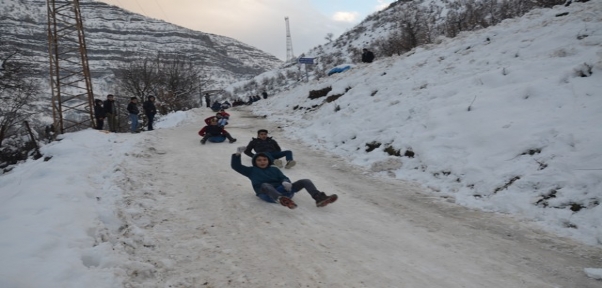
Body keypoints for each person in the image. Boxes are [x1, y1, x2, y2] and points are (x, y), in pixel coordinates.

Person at [231, 146, 338, 209]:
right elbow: (236, 166)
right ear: (255, 162)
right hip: (267, 194)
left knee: (305, 181)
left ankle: (318, 198)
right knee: (265, 185)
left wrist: (286, 182)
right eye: (259, 160)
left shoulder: (274, 169)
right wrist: (237, 155)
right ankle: (280, 199)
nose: (262, 162)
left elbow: (283, 177)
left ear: (269, 161)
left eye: (264, 160)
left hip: (284, 191)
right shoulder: (251, 171)